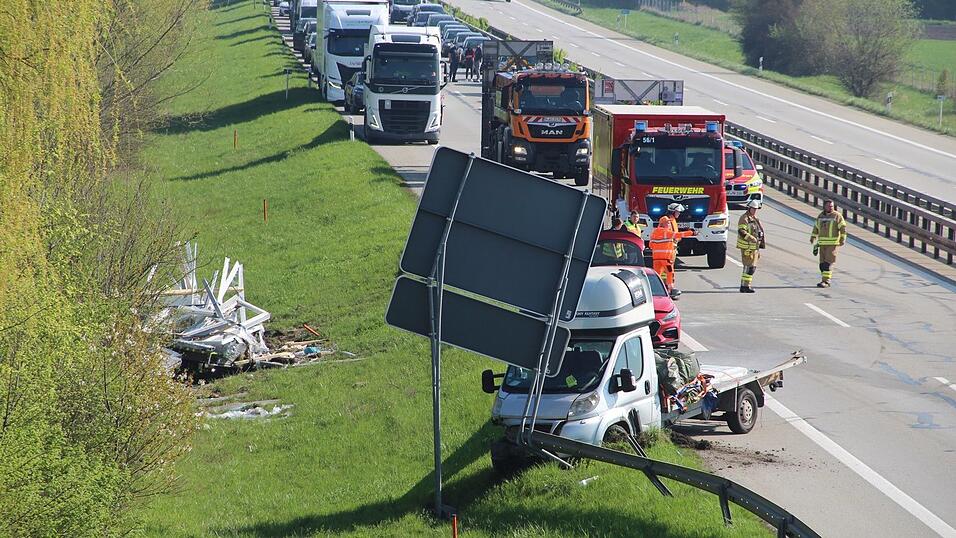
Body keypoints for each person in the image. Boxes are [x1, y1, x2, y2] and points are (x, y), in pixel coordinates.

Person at [650, 203, 695, 292]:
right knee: (670, 272)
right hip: (667, 256)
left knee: (658, 274)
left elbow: (651, 244)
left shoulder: (656, 231)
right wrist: (691, 232)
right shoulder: (668, 224)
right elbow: (676, 234)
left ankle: (656, 289)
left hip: (657, 257)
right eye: (677, 211)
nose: (679, 213)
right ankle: (670, 288)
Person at [810, 199, 847, 288]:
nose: (831, 207)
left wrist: (842, 238)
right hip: (822, 243)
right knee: (822, 264)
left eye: (832, 206)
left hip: (833, 243)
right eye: (829, 206)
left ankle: (826, 281)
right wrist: (813, 237)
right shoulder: (821, 216)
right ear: (824, 206)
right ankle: (824, 279)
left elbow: (843, 228)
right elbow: (816, 227)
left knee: (828, 263)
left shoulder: (837, 216)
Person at [736, 199, 765, 293]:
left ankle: (745, 285)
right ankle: (745, 286)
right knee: (749, 268)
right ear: (749, 208)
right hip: (747, 248)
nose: (755, 210)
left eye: (756, 209)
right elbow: (741, 231)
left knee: (752, 268)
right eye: (753, 209)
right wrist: (751, 238)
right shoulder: (744, 218)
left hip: (754, 248)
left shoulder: (755, 219)